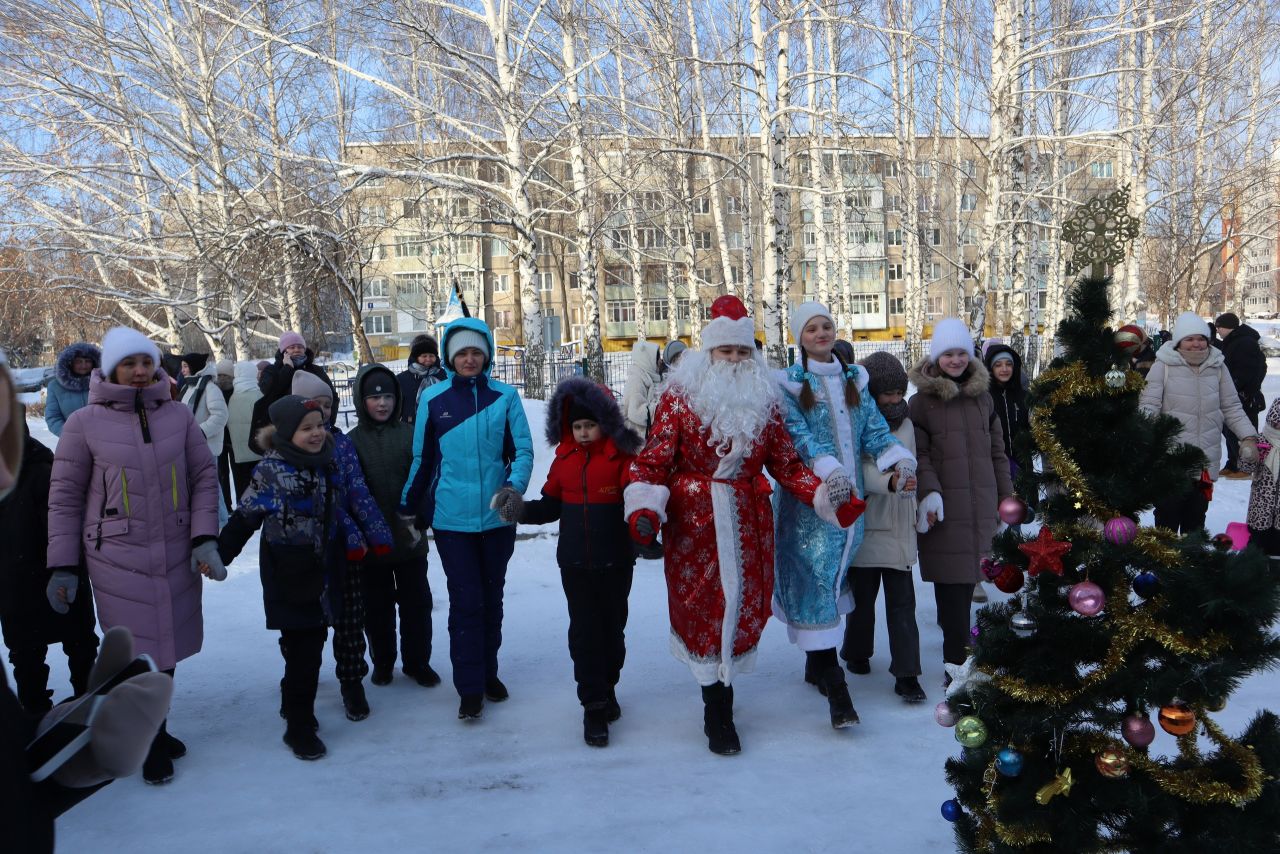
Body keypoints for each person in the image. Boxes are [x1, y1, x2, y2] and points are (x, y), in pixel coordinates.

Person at [623, 295, 851, 755]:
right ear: (709, 353)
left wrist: (822, 494)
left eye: (743, 352)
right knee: (704, 609)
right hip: (696, 522)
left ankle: (724, 689)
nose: (735, 360)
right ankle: (716, 707)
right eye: (726, 351)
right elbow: (653, 460)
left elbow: (786, 463)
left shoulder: (764, 403)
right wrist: (646, 507)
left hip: (749, 521)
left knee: (744, 605)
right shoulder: (678, 400)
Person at [46, 326, 224, 785]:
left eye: (146, 361)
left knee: (165, 651)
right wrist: (62, 565)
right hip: (116, 555)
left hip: (175, 549)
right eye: (130, 363)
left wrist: (205, 536)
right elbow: (64, 498)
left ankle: (155, 730)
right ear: (111, 370)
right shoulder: (85, 423)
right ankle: (145, 739)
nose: (141, 371)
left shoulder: (178, 417)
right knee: (136, 653)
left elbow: (204, 476)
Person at [773, 302, 910, 728]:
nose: (821, 333)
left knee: (834, 579)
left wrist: (894, 459)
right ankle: (837, 690)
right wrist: (828, 471)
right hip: (811, 507)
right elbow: (796, 438)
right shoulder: (792, 384)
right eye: (812, 328)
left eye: (826, 326)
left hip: (852, 507)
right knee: (816, 581)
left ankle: (817, 665)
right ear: (800, 337)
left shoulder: (855, 379)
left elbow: (871, 427)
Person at [399, 317, 534, 722]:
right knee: (466, 602)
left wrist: (513, 488)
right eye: (462, 353)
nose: (470, 359)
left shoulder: (505, 396)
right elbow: (423, 458)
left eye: (477, 352)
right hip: (452, 521)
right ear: (450, 357)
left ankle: (488, 672)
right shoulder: (434, 398)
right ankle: (470, 688)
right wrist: (408, 505)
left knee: (492, 600)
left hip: (496, 520)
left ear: (487, 354)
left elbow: (522, 450)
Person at [501, 375, 642, 748]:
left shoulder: (620, 458)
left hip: (615, 562)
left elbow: (638, 502)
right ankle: (592, 704)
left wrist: (645, 529)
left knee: (612, 631)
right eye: (576, 426)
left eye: (589, 425)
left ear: (604, 423)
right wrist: (517, 509)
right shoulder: (563, 461)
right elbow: (549, 506)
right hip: (575, 564)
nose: (582, 433)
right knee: (583, 632)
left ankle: (608, 686)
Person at [214, 396, 348, 761]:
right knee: (304, 650)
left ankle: (295, 703)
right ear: (288, 433)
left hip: (323, 570)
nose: (317, 433)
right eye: (307, 428)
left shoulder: (327, 461)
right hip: (288, 570)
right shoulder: (271, 471)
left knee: (310, 643)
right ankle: (299, 726)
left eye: (319, 425)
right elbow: (245, 517)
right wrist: (220, 555)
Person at [909, 318, 1014, 681]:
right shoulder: (921, 403)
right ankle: (956, 665)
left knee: (968, 579)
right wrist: (930, 491)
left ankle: (958, 650)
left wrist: (1006, 496)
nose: (955, 360)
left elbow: (997, 451)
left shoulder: (982, 398)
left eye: (961, 353)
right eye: (948, 354)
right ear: (937, 357)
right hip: (945, 506)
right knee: (951, 585)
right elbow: (918, 453)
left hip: (981, 501)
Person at [290, 370, 392, 722]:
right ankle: (299, 686)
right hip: (306, 556)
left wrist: (376, 532)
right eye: (315, 407)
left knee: (350, 621)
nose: (324, 414)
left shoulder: (342, 443)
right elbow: (314, 505)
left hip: (348, 553)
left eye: (328, 405)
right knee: (309, 626)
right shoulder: (289, 453)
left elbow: (356, 490)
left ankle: (352, 681)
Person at [347, 364, 440, 689]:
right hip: (372, 546)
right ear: (362, 401)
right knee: (377, 609)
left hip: (410, 537)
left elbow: (428, 478)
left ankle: (418, 662)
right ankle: (383, 661)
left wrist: (422, 516)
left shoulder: (410, 435)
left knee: (417, 604)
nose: (382, 403)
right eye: (374, 398)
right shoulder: (352, 442)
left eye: (387, 396)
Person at [1, 415, 99, 716]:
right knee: (26, 652)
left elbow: (66, 521)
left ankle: (88, 702)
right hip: (13, 579)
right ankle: (34, 712)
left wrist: (64, 568)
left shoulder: (44, 471)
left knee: (79, 642)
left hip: (57, 572)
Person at [843, 352, 925, 703]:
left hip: (901, 523)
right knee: (862, 601)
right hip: (870, 522)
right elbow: (858, 469)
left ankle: (907, 674)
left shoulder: (907, 424)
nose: (893, 400)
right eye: (886, 393)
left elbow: (915, 464)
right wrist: (888, 481)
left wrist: (920, 502)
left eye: (898, 392)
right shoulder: (859, 419)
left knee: (903, 605)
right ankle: (856, 652)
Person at [1140, 311, 1260, 533]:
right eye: (1190, 338)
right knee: (1167, 514)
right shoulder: (1163, 366)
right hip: (1170, 460)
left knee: (1196, 516)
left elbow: (1232, 407)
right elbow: (1149, 405)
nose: (1196, 343)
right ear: (1179, 342)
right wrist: (1143, 438)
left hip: (1205, 461)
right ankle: (1164, 565)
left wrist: (1248, 436)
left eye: (1201, 338)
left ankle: (1193, 565)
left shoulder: (1217, 366)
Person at [250, 331, 336, 453]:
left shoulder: (315, 370)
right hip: (284, 430)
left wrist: (328, 422)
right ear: (283, 350)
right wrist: (287, 369)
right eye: (291, 347)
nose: (297, 350)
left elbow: (333, 397)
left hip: (314, 429)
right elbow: (269, 393)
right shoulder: (272, 371)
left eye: (300, 347)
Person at [1214, 312, 1267, 479]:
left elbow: (1247, 370)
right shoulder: (1232, 342)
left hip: (1245, 396)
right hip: (1235, 394)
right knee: (1229, 431)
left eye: (1219, 327)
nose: (1217, 331)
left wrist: (1236, 388)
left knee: (1244, 432)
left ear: (1228, 327)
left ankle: (1247, 467)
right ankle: (1233, 463)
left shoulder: (1244, 343)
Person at [181, 353, 230, 526]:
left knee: (210, 486)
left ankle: (223, 523)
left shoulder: (210, 388)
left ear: (195, 367)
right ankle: (215, 521)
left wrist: (199, 432)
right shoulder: (189, 387)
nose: (183, 370)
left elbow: (221, 415)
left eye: (186, 366)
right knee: (205, 486)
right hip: (192, 447)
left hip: (206, 447)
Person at [1246, 396, 1280, 556]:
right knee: (1257, 547)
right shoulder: (1262, 441)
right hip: (1261, 506)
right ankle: (1253, 573)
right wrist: (1248, 455)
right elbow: (1246, 468)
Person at [44, 342, 100, 437]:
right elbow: (53, 418)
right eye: (79, 362)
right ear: (70, 363)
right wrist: (70, 436)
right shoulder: (55, 386)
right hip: (73, 443)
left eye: (87, 361)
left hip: (104, 441)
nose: (84, 365)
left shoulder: (103, 383)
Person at [226, 362, 263, 502]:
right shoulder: (259, 395)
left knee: (243, 492)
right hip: (258, 453)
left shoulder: (233, 397)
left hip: (239, 454)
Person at [397, 334, 446, 424]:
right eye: (424, 356)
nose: (428, 359)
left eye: (431, 356)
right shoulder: (402, 379)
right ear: (416, 357)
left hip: (441, 424)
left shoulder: (444, 376)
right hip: (411, 426)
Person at [622, 339, 661, 439]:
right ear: (648, 360)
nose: (660, 362)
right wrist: (660, 407)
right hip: (638, 440)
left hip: (645, 436)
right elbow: (636, 412)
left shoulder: (646, 378)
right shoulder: (636, 381)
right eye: (657, 358)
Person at [213, 359, 235, 510]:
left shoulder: (236, 391)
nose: (222, 378)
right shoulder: (215, 391)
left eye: (225, 375)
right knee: (225, 474)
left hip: (227, 438)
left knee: (226, 474)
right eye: (219, 375)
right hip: (226, 439)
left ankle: (229, 505)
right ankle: (227, 505)